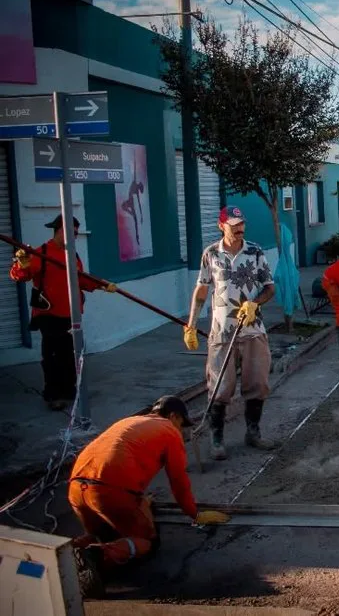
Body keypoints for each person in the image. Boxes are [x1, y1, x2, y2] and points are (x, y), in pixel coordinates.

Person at [68, 395, 229, 597]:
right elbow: (178, 481)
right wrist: (194, 514)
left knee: (104, 533)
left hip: (76, 488)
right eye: (181, 424)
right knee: (147, 542)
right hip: (108, 491)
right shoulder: (169, 431)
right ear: (173, 416)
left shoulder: (130, 421)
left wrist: (138, 500)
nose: (182, 430)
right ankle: (96, 555)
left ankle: (66, 553)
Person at [182, 206, 277, 460]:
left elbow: (270, 288)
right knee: (219, 388)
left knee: (258, 384)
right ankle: (217, 440)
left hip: (253, 330)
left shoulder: (255, 252)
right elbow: (202, 290)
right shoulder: (211, 254)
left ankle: (253, 432)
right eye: (233, 224)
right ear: (221, 225)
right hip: (222, 332)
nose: (239, 228)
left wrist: (255, 303)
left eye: (241, 224)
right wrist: (191, 324)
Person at [9, 214, 116, 410]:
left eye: (76, 233)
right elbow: (21, 276)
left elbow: (80, 279)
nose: (74, 237)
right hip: (49, 314)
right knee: (52, 356)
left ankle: (68, 390)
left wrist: (101, 284)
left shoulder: (72, 255)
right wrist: (22, 263)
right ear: (59, 231)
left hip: (71, 314)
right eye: (71, 233)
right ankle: (53, 394)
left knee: (69, 355)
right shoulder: (41, 253)